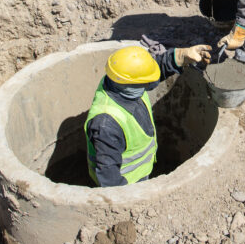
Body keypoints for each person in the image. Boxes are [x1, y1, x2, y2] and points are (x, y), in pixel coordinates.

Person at [85, 44, 211, 187]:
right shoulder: (106, 125)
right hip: (129, 183)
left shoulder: (118, 81)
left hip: (144, 171)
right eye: (145, 82)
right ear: (131, 84)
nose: (150, 84)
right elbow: (109, 179)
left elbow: (153, 71)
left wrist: (181, 56)